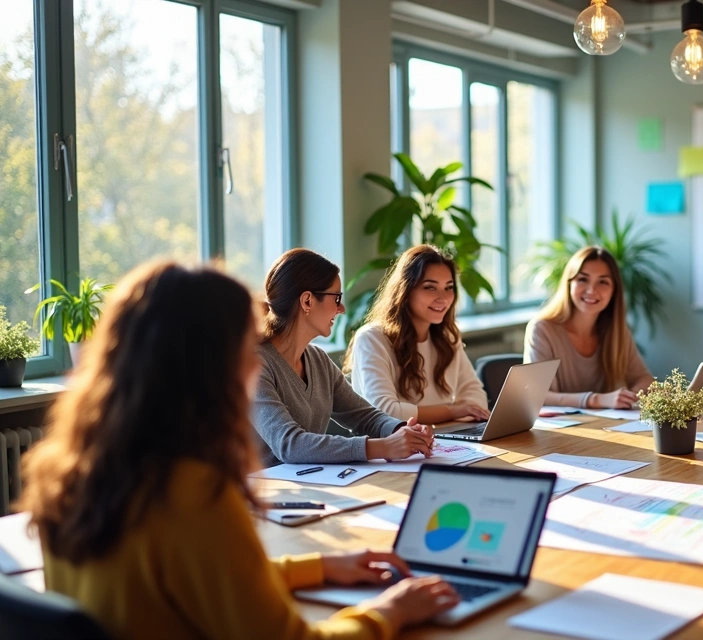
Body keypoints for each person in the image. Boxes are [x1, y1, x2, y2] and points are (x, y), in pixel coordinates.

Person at [20, 262, 458, 640]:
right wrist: (389, 611)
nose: (253, 361)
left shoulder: (71, 474)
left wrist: (317, 568)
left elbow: (208, 576)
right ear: (206, 363)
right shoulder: (193, 494)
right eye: (241, 347)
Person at [253, 248, 433, 467]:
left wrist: (403, 430)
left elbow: (364, 416)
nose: (342, 309)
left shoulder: (317, 359)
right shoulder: (253, 366)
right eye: (336, 297)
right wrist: (383, 447)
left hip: (307, 485)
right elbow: (290, 444)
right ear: (307, 301)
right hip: (260, 495)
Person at [346, 245, 489, 423]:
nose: (443, 298)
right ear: (405, 290)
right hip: (393, 446)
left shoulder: (447, 337)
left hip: (444, 441)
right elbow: (385, 411)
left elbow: (475, 397)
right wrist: (452, 411)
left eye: (449, 287)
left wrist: (454, 417)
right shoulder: (371, 339)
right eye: (430, 287)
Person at [524, 246, 653, 408]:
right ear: (569, 283)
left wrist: (630, 398)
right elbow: (536, 395)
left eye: (603, 282)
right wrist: (595, 400)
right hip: (560, 429)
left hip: (607, 427)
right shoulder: (542, 329)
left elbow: (644, 379)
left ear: (614, 291)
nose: (591, 290)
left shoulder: (617, 331)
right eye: (583, 279)